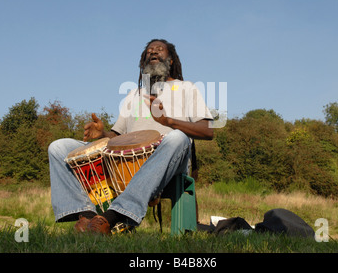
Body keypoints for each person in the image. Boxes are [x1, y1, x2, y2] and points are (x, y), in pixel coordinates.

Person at [48, 39, 214, 234]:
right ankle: (90, 219)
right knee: (58, 148)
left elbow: (207, 131)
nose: (153, 52)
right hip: (125, 163)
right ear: (143, 62)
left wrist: (170, 122)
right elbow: (117, 137)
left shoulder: (187, 88)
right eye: (149, 51)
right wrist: (102, 134)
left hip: (168, 161)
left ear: (170, 61)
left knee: (178, 137)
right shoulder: (134, 94)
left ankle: (114, 216)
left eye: (159, 50)